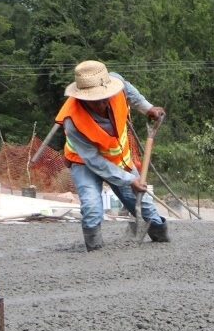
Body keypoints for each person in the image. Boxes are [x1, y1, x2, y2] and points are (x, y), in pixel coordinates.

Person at [55, 60, 167, 251]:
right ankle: (95, 250)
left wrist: (148, 108)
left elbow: (130, 91)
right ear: (82, 98)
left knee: (144, 204)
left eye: (105, 97)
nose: (103, 102)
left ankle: (161, 238)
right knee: (92, 207)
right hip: (84, 163)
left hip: (118, 158)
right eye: (96, 100)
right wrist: (129, 180)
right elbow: (94, 161)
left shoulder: (116, 84)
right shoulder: (72, 120)